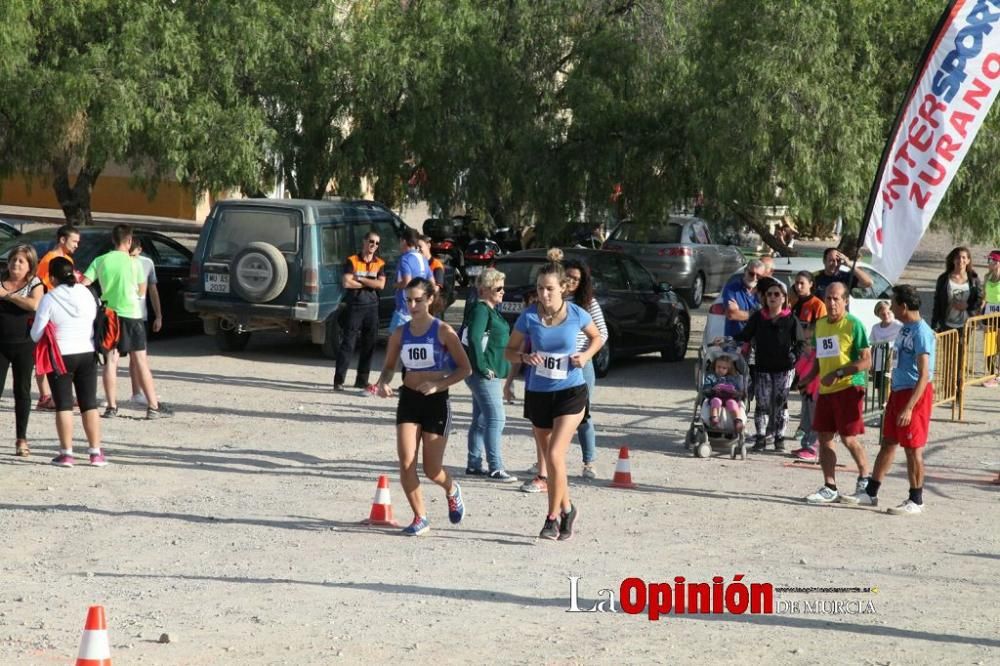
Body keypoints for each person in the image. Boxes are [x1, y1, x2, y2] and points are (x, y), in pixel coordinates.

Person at [505, 261, 603, 541]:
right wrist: (524, 358)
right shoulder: (529, 317)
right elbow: (509, 352)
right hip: (538, 392)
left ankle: (551, 519)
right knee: (551, 456)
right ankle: (568, 509)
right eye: (539, 288)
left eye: (549, 289)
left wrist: (584, 357)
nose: (544, 294)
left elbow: (597, 338)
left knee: (555, 456)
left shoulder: (577, 313)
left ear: (563, 288)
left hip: (571, 391)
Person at [375, 278, 472, 536]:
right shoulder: (400, 333)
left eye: (418, 299)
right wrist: (383, 383)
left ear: (430, 299)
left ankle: (452, 489)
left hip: (436, 401)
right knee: (406, 462)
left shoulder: (443, 331)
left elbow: (465, 368)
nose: (413, 305)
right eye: (408, 300)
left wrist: (438, 385)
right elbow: (388, 367)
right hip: (409, 398)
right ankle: (421, 518)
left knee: (432, 469)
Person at [841, 285, 935, 515]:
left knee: (913, 449)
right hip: (898, 391)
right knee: (888, 442)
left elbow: (924, 375)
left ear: (903, 306)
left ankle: (916, 499)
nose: (890, 307)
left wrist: (909, 407)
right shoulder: (904, 329)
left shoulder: (922, 332)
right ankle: (870, 492)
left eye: (893, 303)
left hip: (915, 394)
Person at [83, 224, 172, 419]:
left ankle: (111, 406)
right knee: (140, 360)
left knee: (111, 360)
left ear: (113, 240)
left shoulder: (100, 260)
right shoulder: (136, 263)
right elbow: (141, 292)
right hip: (132, 314)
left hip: (110, 314)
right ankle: (153, 406)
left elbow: (85, 283)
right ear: (129, 241)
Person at [29, 257, 107, 467]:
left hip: (61, 355)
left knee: (63, 404)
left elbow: (36, 334)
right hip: (87, 351)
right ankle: (95, 452)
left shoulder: (49, 298)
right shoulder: (87, 293)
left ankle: (67, 453)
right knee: (88, 403)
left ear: (52, 277)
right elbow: (95, 318)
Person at [802, 282, 872, 503]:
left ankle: (865, 480)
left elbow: (866, 360)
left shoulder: (853, 325)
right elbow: (820, 358)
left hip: (850, 386)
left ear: (845, 301)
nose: (832, 303)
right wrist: (808, 377)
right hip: (827, 388)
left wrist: (840, 372)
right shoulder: (821, 324)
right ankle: (829, 486)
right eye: (828, 298)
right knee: (824, 437)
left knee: (848, 438)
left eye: (836, 299)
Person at [462, 268, 516, 482]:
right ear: (484, 290)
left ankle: (474, 464)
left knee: (482, 419)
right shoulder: (482, 310)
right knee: (496, 418)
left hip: (487, 372)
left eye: (503, 287)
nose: (503, 291)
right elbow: (474, 339)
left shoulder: (489, 309)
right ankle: (496, 467)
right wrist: (483, 367)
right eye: (498, 288)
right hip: (484, 374)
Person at [734, 277, 798, 452]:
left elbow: (800, 342)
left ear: (784, 298)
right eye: (769, 294)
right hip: (763, 367)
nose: (772, 297)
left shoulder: (791, 319)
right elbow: (745, 335)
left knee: (781, 403)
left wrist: (795, 355)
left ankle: (779, 438)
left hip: (784, 369)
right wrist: (727, 340)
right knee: (761, 404)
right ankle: (761, 437)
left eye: (777, 294)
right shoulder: (758, 317)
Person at [563, 258, 608, 479]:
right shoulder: (551, 299)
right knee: (551, 415)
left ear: (583, 282)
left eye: (576, 279)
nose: (570, 281)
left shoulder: (588, 304)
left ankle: (589, 462)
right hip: (556, 366)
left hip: (582, 366)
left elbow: (602, 333)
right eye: (567, 276)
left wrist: (586, 354)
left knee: (583, 415)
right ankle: (545, 463)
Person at [0, 245, 44, 457]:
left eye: (21, 261)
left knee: (22, 392)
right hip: (1, 345)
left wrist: (8, 296)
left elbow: (35, 305)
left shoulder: (35, 283)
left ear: (30, 266)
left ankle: (21, 439)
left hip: (24, 345)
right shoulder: (0, 279)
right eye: (13, 260)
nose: (16, 264)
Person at [34, 224, 81, 410]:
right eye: (74, 241)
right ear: (62, 240)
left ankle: (58, 394)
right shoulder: (49, 260)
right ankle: (45, 395)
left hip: (63, 311)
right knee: (44, 352)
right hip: (51, 311)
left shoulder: (66, 258)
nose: (77, 245)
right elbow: (46, 287)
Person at [333, 231, 386, 391]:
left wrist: (361, 279)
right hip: (355, 306)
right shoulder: (353, 260)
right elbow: (346, 282)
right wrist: (371, 282)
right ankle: (339, 380)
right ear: (364, 242)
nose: (373, 245)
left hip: (372, 307)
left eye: (377, 243)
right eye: (371, 241)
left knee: (369, 344)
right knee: (348, 343)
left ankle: (362, 380)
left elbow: (381, 285)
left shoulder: (380, 263)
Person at [127, 237, 162, 406]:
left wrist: (158, 315)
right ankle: (134, 393)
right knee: (112, 357)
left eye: (133, 253)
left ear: (140, 250)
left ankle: (138, 392)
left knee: (138, 356)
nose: (131, 257)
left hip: (141, 315)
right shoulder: (121, 262)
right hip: (122, 313)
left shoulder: (147, 263)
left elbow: (153, 290)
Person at [389, 228, 431, 335]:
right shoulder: (423, 259)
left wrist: (395, 285)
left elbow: (407, 282)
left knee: (394, 342)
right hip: (419, 308)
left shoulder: (405, 259)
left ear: (404, 241)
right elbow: (432, 282)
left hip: (404, 309)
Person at [931, 246, 982, 333]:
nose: (961, 260)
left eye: (963, 257)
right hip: (946, 325)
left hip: (967, 325)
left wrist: (968, 306)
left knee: (963, 347)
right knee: (948, 347)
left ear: (968, 260)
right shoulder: (943, 279)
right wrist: (934, 325)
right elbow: (937, 303)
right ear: (953, 260)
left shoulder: (974, 279)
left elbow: (979, 299)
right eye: (958, 257)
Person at [792, 326, 820, 461]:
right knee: (806, 419)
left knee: (816, 420)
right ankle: (805, 444)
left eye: (810, 340)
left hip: (816, 391)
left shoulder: (819, 355)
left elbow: (813, 372)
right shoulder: (807, 354)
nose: (807, 344)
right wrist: (805, 356)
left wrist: (810, 356)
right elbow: (799, 368)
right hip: (806, 391)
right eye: (805, 340)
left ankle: (813, 447)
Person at [721, 260, 764, 338]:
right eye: (751, 274)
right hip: (735, 341)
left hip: (757, 342)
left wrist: (741, 314)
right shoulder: (732, 288)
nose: (754, 278)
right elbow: (732, 314)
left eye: (758, 276)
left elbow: (769, 316)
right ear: (745, 271)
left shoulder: (766, 291)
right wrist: (757, 314)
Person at [702, 355, 746, 431]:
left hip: (730, 397)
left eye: (724, 368)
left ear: (729, 369)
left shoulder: (734, 378)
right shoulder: (711, 377)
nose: (720, 370)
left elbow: (740, 392)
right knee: (716, 401)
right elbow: (706, 390)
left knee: (732, 403)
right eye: (718, 367)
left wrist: (735, 392)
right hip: (716, 396)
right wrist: (712, 389)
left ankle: (738, 420)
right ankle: (714, 418)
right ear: (714, 366)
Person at [869, 300, 903, 393]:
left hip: (893, 363)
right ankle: (881, 405)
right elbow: (872, 346)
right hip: (879, 363)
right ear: (878, 315)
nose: (886, 315)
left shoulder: (898, 325)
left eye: (888, 312)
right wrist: (871, 363)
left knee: (892, 387)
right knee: (880, 387)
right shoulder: (875, 328)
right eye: (883, 314)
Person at [982, 250, 1000, 387]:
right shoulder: (987, 277)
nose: (988, 263)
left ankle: (998, 375)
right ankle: (992, 373)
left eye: (991, 261)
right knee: (989, 346)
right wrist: (978, 313)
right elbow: (984, 298)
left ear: (998, 263)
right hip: (989, 315)